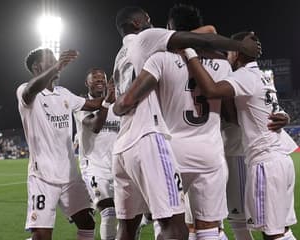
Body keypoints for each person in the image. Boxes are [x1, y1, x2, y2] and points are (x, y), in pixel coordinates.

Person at [111, 6, 260, 240]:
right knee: (210, 228)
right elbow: (230, 113)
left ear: (170, 29)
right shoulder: (221, 63)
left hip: (170, 151)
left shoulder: (156, 58)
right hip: (209, 151)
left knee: (169, 224)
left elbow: (131, 98)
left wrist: (117, 105)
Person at [183, 32, 297, 240]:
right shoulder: (263, 75)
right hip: (282, 157)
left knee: (272, 234)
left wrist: (189, 53)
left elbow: (211, 90)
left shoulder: (243, 76)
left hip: (265, 161)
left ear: (236, 52)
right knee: (281, 231)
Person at [17, 48, 114, 240]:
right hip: (43, 177)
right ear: (37, 67)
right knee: (43, 235)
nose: (56, 63)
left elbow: (92, 104)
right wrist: (58, 65)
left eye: (56, 60)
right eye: (50, 61)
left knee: (87, 223)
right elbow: (31, 90)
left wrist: (112, 97)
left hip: (70, 176)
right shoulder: (26, 91)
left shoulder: (64, 94)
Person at [74, 68, 120, 240]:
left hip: (118, 165)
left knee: (126, 215)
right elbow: (95, 126)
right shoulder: (81, 105)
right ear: (87, 83)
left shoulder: (118, 104)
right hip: (93, 166)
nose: (100, 80)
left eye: (103, 78)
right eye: (95, 78)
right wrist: (107, 103)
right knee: (108, 212)